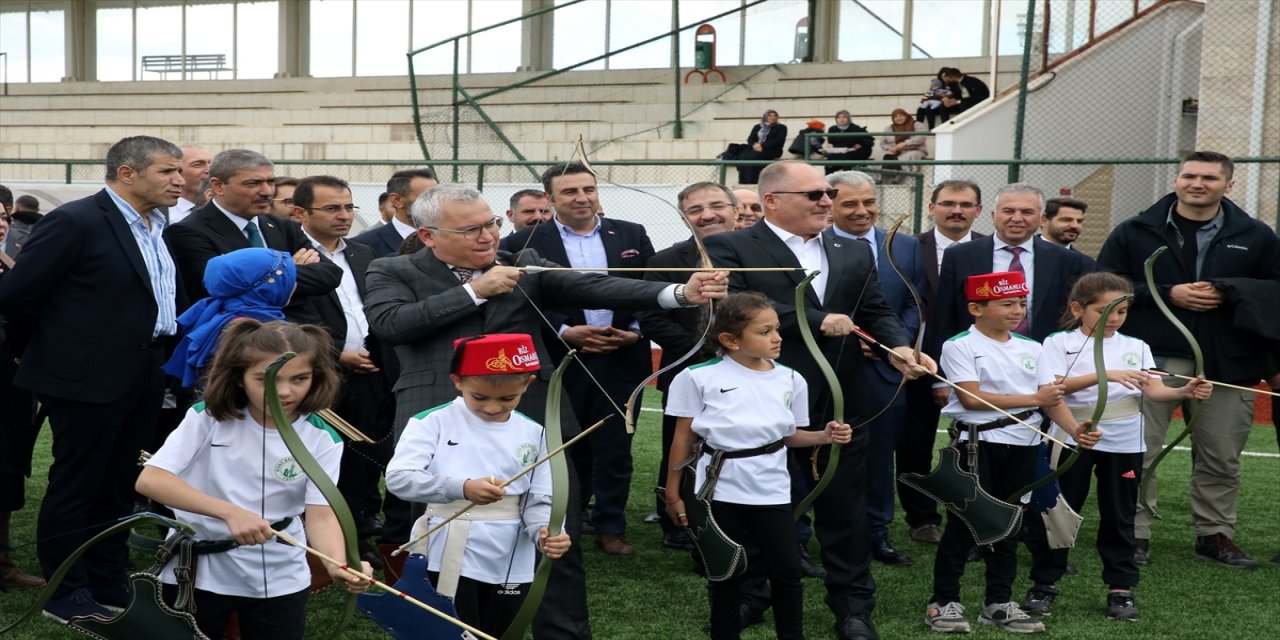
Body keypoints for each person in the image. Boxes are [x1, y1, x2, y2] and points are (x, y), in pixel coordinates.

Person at [362, 182, 726, 639]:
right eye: (471, 229)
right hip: (439, 412)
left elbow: (592, 284)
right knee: (443, 539)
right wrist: (475, 291)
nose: (488, 236)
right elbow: (392, 323)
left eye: (491, 224)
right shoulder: (391, 269)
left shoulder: (521, 264)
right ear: (428, 235)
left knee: (555, 534)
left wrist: (678, 293)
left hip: (532, 414)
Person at [705, 160, 935, 640]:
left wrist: (899, 347)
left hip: (840, 400)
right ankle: (752, 596)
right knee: (757, 512)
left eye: (827, 193)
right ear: (772, 201)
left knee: (846, 512)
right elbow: (733, 308)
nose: (827, 201)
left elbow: (875, 309)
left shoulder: (851, 250)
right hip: (760, 406)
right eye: (814, 194)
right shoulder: (732, 246)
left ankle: (853, 608)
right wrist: (815, 319)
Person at [0, 136, 184, 620]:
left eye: (179, 171)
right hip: (83, 376)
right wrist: (42, 352)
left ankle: (108, 577)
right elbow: (18, 295)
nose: (180, 181)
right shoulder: (75, 220)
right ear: (127, 172)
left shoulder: (157, 224)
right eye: (168, 171)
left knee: (120, 482)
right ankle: (65, 590)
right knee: (77, 484)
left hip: (145, 370)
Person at [1095, 151, 1280, 569]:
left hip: (1227, 361)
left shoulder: (1255, 235)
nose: (1198, 184)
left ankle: (1214, 534)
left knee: (1221, 453)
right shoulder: (1135, 230)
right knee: (1138, 449)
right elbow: (1105, 284)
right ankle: (1133, 533)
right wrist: (1167, 293)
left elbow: (1274, 289)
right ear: (1176, 179)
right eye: (1190, 176)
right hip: (1152, 357)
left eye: (1209, 178)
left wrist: (1230, 289)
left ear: (1228, 185)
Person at [137, 319, 373, 639]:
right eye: (265, 379)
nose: (284, 391)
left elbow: (321, 514)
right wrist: (230, 512)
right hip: (195, 571)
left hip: (280, 575)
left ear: (316, 378)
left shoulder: (322, 437)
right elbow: (151, 480)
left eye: (300, 379)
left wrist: (336, 563)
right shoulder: (208, 417)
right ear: (239, 378)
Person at [1021, 272, 1212, 622]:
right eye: (1104, 312)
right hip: (1073, 433)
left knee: (1120, 514)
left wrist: (1184, 391)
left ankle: (1120, 588)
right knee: (1059, 511)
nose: (1114, 319)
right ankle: (1044, 583)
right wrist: (1105, 375)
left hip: (1124, 439)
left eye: (1122, 312)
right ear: (1078, 309)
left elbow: (1153, 389)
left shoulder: (1135, 346)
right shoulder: (1058, 342)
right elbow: (1053, 386)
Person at [665, 292, 852, 640]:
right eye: (764, 332)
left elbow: (790, 436)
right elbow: (682, 439)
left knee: (787, 573)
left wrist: (823, 436)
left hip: (771, 491)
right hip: (717, 491)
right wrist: (673, 495)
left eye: (777, 329)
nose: (777, 338)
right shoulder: (696, 376)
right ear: (730, 340)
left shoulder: (791, 378)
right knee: (725, 575)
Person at [924, 270, 1096, 635]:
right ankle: (943, 601)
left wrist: (1074, 430)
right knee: (965, 523)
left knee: (1009, 523)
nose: (1017, 311)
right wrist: (1034, 398)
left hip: (1024, 445)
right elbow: (971, 398)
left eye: (1020, 303)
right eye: (1006, 304)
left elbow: (1051, 401)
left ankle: (998, 602)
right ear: (976, 308)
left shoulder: (1032, 347)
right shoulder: (959, 345)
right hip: (976, 445)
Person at [501, 163, 659, 557]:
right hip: (562, 359)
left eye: (588, 189)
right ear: (550, 198)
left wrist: (636, 330)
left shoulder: (632, 233)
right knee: (560, 447)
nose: (582, 198)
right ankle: (562, 523)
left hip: (622, 357)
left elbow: (649, 287)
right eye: (569, 191)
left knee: (615, 447)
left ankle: (611, 526)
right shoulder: (524, 240)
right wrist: (563, 330)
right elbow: (522, 298)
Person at [386, 333, 571, 636]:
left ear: (527, 384)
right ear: (457, 381)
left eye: (508, 398)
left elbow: (540, 498)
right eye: (480, 397)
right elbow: (399, 478)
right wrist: (462, 487)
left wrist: (547, 531)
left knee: (501, 630)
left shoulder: (534, 431)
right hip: (447, 550)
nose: (493, 408)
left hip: (511, 556)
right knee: (450, 631)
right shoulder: (431, 421)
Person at [825, 170, 926, 566]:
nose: (862, 210)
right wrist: (854, 342)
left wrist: (893, 346)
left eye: (868, 201)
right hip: (828, 368)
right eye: (849, 203)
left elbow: (912, 303)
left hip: (886, 372)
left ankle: (876, 534)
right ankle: (800, 536)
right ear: (829, 205)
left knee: (880, 457)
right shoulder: (815, 244)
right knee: (816, 451)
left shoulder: (905, 246)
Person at [636, 181, 736, 552]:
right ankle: (676, 520)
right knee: (680, 449)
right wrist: (705, 355)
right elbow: (652, 319)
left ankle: (738, 518)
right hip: (688, 373)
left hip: (754, 374)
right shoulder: (664, 261)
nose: (707, 215)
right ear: (684, 219)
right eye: (695, 210)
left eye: (716, 205)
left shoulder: (763, 253)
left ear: (735, 209)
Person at [903, 180, 987, 546]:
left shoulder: (990, 249)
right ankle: (922, 518)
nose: (957, 210)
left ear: (978, 211)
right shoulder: (908, 248)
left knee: (982, 443)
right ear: (932, 207)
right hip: (919, 363)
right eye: (948, 203)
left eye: (966, 204)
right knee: (915, 444)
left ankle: (978, 513)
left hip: (980, 364)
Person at [164, 149, 341, 305]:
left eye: (270, 182)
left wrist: (264, 276)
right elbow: (219, 290)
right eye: (253, 183)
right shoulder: (188, 232)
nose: (266, 192)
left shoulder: (283, 227)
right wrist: (289, 269)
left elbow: (330, 274)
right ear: (218, 186)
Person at [933, 183, 1095, 351]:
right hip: (975, 357)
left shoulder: (1069, 261)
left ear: (1042, 218)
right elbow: (944, 317)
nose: (1017, 218)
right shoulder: (960, 256)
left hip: (1045, 356)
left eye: (1027, 212)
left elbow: (1077, 319)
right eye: (1008, 211)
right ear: (993, 215)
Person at [163, 248, 298, 388]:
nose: (295, 285)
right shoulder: (249, 329)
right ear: (269, 285)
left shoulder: (221, 315)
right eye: (289, 278)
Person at [0, 209, 44, 591]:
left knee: (8, 467)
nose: (1, 224)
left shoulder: (13, 262)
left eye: (2, 217)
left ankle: (3, 564)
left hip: (10, 384)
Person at [350, 169, 438, 257]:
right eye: (427, 197)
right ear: (397, 200)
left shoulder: (444, 237)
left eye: (438, 197)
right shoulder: (364, 244)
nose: (437, 203)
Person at [736, 110, 787, 185]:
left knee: (753, 157)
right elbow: (750, 139)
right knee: (742, 156)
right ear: (765, 117)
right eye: (770, 115)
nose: (773, 117)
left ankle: (752, 181)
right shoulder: (757, 127)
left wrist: (762, 145)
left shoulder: (781, 127)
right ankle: (743, 181)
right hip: (755, 148)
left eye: (775, 115)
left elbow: (778, 140)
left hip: (772, 150)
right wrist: (754, 145)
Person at [879, 109, 927, 184]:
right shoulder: (889, 128)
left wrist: (905, 143)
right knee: (884, 156)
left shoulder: (917, 125)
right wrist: (889, 148)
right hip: (895, 151)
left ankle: (897, 179)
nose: (899, 118)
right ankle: (882, 180)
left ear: (906, 116)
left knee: (909, 156)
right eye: (896, 116)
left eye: (901, 115)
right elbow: (882, 143)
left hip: (914, 150)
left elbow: (921, 137)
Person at [173, 145, 212, 224]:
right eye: (198, 164)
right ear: (177, 171)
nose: (209, 170)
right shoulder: (160, 213)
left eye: (211, 164)